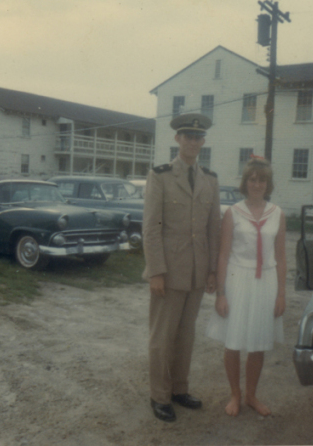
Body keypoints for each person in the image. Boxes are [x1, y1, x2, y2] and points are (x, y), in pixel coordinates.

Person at [142, 112, 221, 422]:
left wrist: (212, 270)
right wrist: (157, 271)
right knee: (162, 338)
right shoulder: (160, 175)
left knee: (186, 336)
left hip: (197, 272)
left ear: (203, 141)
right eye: (187, 136)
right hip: (169, 271)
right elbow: (150, 227)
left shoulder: (210, 179)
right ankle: (159, 396)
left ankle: (179, 389)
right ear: (177, 139)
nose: (193, 141)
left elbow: (213, 228)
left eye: (198, 137)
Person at [206, 157, 286, 417]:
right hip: (238, 279)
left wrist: (281, 294)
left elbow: (282, 257)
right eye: (252, 179)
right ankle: (235, 394)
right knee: (234, 340)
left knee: (258, 342)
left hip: (266, 282)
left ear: (268, 183)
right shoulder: (232, 212)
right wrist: (221, 293)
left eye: (262, 179)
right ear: (245, 182)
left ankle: (251, 395)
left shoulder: (277, 214)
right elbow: (222, 255)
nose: (257, 184)